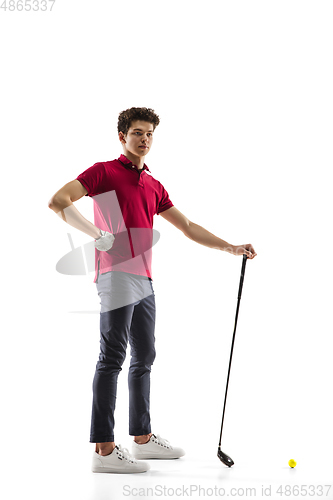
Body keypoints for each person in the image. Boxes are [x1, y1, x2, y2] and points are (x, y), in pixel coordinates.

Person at [48, 107, 257, 474]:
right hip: (115, 273)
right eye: (137, 133)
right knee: (112, 358)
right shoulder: (104, 172)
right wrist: (96, 234)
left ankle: (141, 439)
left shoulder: (154, 185)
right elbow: (58, 202)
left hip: (144, 278)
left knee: (144, 356)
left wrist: (231, 247)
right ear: (122, 137)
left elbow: (188, 226)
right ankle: (103, 448)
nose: (144, 140)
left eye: (149, 135)